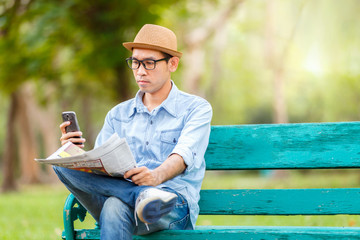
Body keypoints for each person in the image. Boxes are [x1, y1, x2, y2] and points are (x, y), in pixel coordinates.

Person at [54, 24, 212, 240]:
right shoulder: (117, 114)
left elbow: (183, 155)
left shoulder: (196, 108)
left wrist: (155, 176)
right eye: (135, 62)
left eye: (149, 63)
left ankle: (148, 199)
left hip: (171, 206)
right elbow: (101, 167)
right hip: (120, 194)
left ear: (172, 64)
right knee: (60, 163)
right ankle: (139, 195)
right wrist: (76, 154)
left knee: (114, 206)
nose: (140, 71)